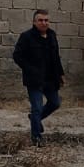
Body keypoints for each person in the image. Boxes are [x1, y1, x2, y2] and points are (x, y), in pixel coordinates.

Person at [13, 9, 65, 145]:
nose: (44, 23)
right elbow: (17, 56)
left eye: (46, 20)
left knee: (55, 103)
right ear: (34, 22)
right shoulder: (26, 37)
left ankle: (34, 119)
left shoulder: (52, 35)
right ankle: (36, 137)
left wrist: (61, 74)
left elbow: (56, 57)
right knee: (37, 106)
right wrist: (30, 69)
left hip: (50, 78)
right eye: (40, 20)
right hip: (34, 80)